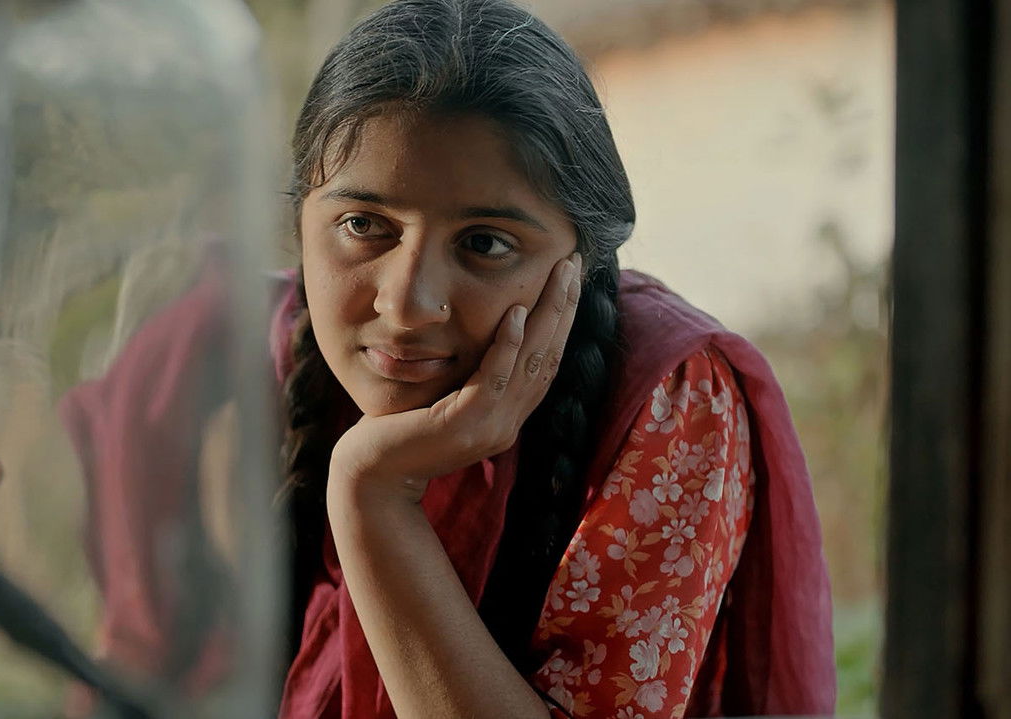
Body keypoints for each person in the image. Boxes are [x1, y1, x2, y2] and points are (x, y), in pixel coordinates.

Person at [60, 1, 836, 717]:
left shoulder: (668, 402)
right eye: (365, 225)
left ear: (580, 260)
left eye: (486, 244)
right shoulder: (242, 353)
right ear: (298, 219)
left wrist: (373, 497)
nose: (405, 304)